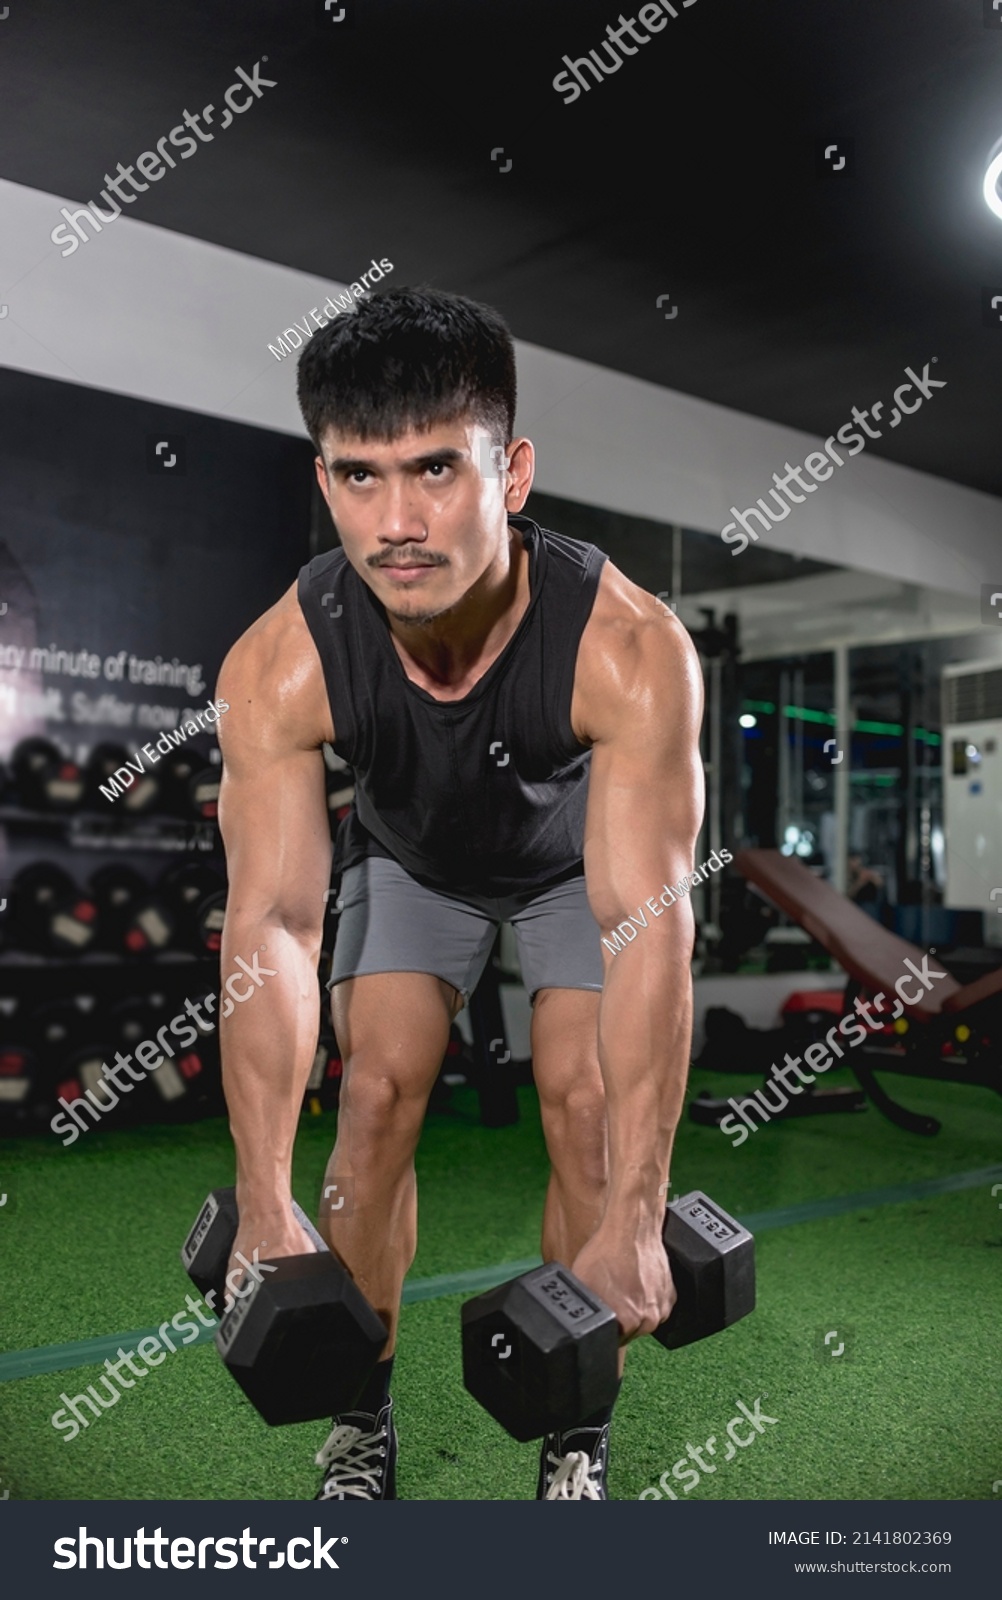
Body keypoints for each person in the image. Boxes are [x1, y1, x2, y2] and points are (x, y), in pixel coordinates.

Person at [214, 285, 704, 1501]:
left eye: (436, 468)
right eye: (361, 476)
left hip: (570, 867)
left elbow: (652, 932)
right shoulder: (280, 663)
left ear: (514, 471)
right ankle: (362, 1417)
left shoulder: (629, 649)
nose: (399, 520)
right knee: (373, 1102)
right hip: (413, 859)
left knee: (583, 1104)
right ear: (323, 483)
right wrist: (264, 1196)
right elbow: (271, 924)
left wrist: (642, 1214)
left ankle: (575, 1427)